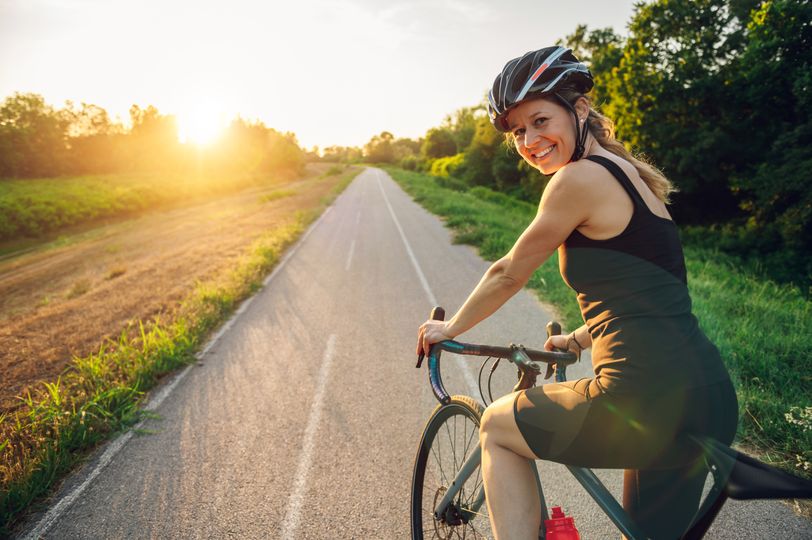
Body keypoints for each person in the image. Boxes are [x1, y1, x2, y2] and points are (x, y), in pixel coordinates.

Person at [415, 46, 738, 539]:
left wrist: (450, 327)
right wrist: (581, 340)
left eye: (540, 119)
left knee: (497, 429)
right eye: (519, 130)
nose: (529, 139)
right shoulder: (636, 179)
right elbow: (653, 295)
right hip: (706, 395)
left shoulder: (576, 179)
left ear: (579, 110)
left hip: (641, 398)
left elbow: (508, 273)